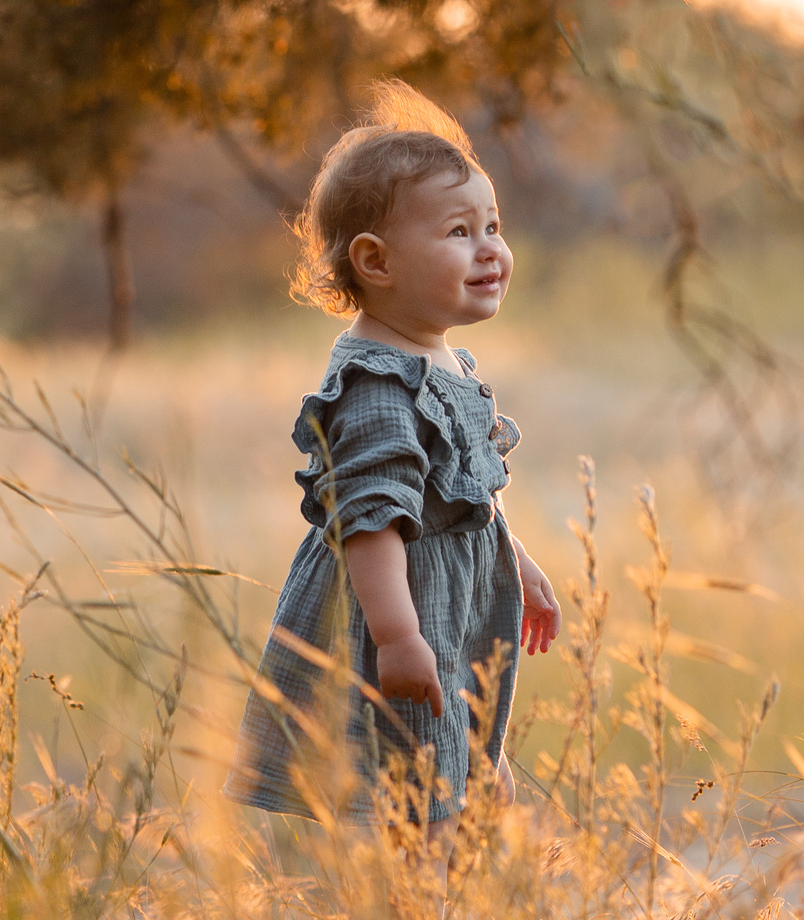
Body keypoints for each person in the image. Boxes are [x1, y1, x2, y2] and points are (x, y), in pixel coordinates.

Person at [225, 79, 562, 832]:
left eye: (493, 225)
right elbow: (371, 522)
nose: (491, 250)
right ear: (376, 261)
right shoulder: (377, 385)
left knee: (476, 790)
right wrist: (396, 637)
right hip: (406, 615)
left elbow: (467, 490)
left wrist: (520, 564)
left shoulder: (447, 363)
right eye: (458, 232)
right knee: (424, 808)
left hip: (456, 608)